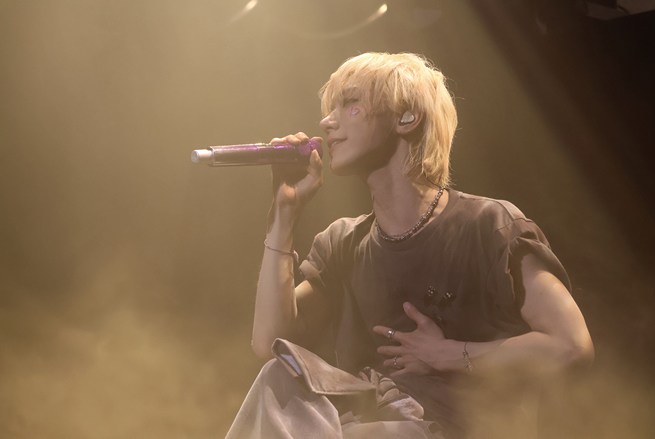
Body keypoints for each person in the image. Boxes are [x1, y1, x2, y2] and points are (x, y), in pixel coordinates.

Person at [226, 52, 594, 439]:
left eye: (350, 104)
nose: (327, 122)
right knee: (277, 377)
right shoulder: (343, 242)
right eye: (330, 109)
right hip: (359, 427)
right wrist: (284, 216)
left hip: (452, 429)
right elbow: (269, 342)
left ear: (407, 117)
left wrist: (449, 354)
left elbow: (570, 345)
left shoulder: (491, 225)